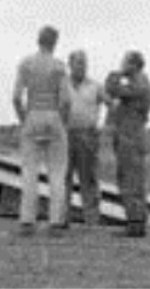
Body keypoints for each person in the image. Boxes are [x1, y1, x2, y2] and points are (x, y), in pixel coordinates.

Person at [12, 25, 71, 236]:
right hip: (53, 113)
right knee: (57, 172)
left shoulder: (26, 64)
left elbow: (16, 97)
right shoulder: (59, 67)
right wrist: (61, 122)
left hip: (33, 113)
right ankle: (56, 221)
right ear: (54, 42)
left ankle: (27, 220)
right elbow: (66, 99)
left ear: (38, 40)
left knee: (29, 171)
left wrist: (23, 119)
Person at [105, 50, 150, 237]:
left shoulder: (139, 83)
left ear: (133, 64)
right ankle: (137, 221)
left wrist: (114, 75)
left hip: (130, 138)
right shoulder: (140, 82)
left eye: (124, 62)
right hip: (130, 136)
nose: (122, 65)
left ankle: (135, 224)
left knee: (130, 180)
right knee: (133, 180)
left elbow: (113, 89)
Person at [63, 50, 110, 226]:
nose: (82, 66)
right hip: (65, 135)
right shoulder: (61, 85)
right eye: (78, 63)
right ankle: (61, 219)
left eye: (84, 63)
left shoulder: (95, 86)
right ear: (70, 64)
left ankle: (91, 220)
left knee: (88, 179)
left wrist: (105, 127)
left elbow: (111, 103)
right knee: (62, 178)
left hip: (87, 136)